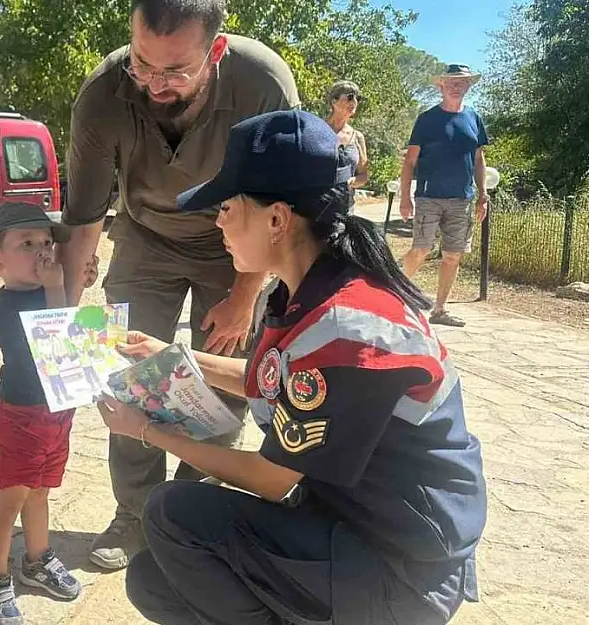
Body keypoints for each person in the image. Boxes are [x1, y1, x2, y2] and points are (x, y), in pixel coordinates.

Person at [97, 109, 487, 625]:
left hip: (401, 564)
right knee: (155, 583)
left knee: (174, 513)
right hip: (353, 520)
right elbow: (284, 381)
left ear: (277, 219)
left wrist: (146, 431)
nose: (218, 223)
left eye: (228, 208)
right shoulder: (305, 291)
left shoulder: (350, 327)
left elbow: (272, 479)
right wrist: (173, 356)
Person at [58, 0, 300, 570]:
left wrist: (246, 296)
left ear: (215, 51)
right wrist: (63, 316)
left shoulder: (263, 82)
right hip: (144, 238)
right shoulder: (102, 94)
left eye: (175, 72)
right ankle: (135, 512)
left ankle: (193, 504)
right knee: (129, 374)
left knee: (219, 382)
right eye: (143, 64)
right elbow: (86, 215)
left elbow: (279, 205)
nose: (153, 84)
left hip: (234, 243)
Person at [0, 203, 99, 625]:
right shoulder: (9, 303)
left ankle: (37, 557)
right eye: (26, 244)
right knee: (12, 496)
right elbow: (53, 334)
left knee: (41, 490)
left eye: (46, 242)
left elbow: (69, 336)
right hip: (22, 417)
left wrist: (74, 282)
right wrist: (58, 287)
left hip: (56, 412)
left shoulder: (45, 291)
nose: (43, 252)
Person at [400, 63, 489, 327]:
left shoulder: (473, 118)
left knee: (453, 254)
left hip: (462, 199)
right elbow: (410, 161)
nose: (456, 85)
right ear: (441, 85)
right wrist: (406, 197)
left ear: (468, 86)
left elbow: (478, 158)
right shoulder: (427, 119)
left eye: (462, 82)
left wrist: (482, 194)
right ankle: (394, 295)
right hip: (429, 196)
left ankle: (439, 310)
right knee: (421, 250)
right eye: (451, 81)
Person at [324, 80, 369, 212]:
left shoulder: (358, 137)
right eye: (350, 97)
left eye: (357, 98)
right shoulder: (317, 130)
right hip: (316, 205)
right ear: (334, 101)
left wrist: (352, 182)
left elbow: (363, 176)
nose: (354, 101)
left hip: (345, 208)